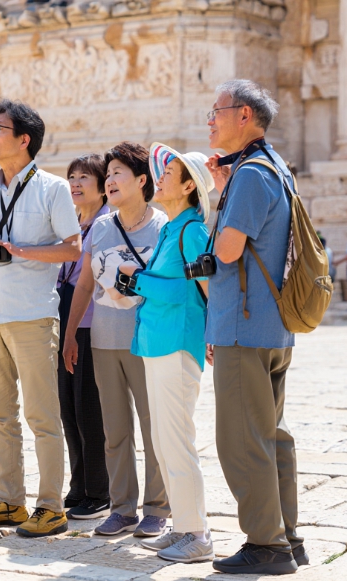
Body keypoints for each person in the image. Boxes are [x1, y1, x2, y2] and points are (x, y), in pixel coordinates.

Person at [0, 99, 81, 538]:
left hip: (33, 315)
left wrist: (19, 251)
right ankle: (9, 500)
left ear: (24, 139)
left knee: (42, 416)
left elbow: (72, 248)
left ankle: (51, 506)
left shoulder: (52, 188)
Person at [203, 79, 304, 575]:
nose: (210, 121)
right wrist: (224, 190)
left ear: (243, 115)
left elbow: (228, 251)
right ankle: (288, 534)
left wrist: (217, 214)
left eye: (216, 112)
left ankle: (267, 545)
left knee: (243, 439)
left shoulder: (250, 174)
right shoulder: (275, 167)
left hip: (241, 324)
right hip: (272, 323)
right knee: (272, 433)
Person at [62, 142, 169, 538]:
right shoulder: (101, 227)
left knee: (152, 425)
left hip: (147, 342)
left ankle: (158, 507)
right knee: (114, 428)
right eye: (107, 175)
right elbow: (85, 284)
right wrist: (71, 334)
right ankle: (123, 508)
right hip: (104, 340)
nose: (109, 181)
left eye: (118, 173)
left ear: (142, 181)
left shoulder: (163, 227)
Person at [131, 143, 215, 563]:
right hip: (156, 341)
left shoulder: (192, 230)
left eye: (168, 175)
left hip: (178, 343)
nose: (158, 178)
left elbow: (198, 289)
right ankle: (183, 525)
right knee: (164, 441)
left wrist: (139, 281)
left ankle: (197, 534)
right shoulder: (172, 228)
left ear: (187, 187)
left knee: (177, 440)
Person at [57, 154, 110, 520]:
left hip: (92, 324)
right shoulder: (74, 223)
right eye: (72, 177)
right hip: (64, 318)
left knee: (90, 408)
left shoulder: (106, 224)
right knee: (68, 408)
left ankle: (99, 490)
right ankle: (79, 485)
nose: (76, 183)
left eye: (84, 177)